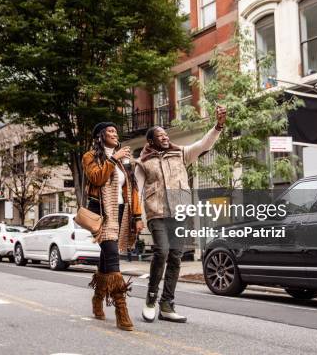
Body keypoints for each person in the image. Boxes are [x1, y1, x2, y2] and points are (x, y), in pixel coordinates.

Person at [136, 105, 227, 323]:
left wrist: (218, 125)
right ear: (151, 141)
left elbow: (203, 144)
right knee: (162, 251)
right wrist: (137, 216)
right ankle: (150, 298)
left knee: (175, 257)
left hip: (179, 212)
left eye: (166, 134)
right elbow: (137, 191)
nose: (165, 137)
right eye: (160, 135)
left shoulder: (180, 154)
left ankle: (167, 305)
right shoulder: (143, 163)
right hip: (156, 213)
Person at [82, 122, 144, 331]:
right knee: (112, 256)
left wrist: (137, 216)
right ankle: (121, 310)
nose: (114, 133)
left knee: (106, 257)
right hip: (101, 212)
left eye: (116, 131)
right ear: (100, 136)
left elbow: (132, 189)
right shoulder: (90, 156)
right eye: (110, 131)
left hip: (121, 212)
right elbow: (97, 178)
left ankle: (97, 297)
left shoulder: (124, 160)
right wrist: (113, 159)